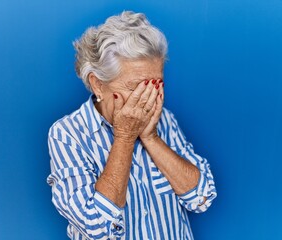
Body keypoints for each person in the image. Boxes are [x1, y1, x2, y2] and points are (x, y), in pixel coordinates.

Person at [47, 11, 217, 240]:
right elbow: (97, 227)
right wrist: (125, 136)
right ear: (98, 85)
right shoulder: (67, 134)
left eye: (156, 84)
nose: (148, 97)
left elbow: (202, 198)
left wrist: (151, 138)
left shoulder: (164, 119)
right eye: (136, 87)